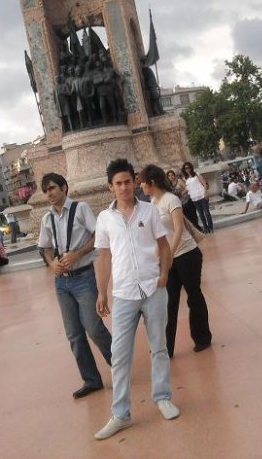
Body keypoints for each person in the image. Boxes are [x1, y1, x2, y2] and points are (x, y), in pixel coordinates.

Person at [94, 158, 178, 440]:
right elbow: (104, 257)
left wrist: (164, 273)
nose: (124, 187)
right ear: (111, 187)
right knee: (120, 355)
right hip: (124, 293)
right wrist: (101, 291)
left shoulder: (150, 210)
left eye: (128, 181)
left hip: (153, 287)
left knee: (159, 347)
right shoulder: (105, 219)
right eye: (118, 183)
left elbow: (163, 245)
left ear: (135, 182)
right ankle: (120, 414)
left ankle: (163, 397)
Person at [38, 172, 112, 400]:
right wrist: (52, 264)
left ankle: (119, 365)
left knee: (93, 327)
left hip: (83, 276)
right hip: (62, 282)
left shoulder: (80, 209)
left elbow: (98, 235)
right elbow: (45, 247)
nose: (49, 193)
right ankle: (91, 380)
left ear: (64, 188)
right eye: (46, 190)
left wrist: (77, 253)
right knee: (74, 334)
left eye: (52, 188)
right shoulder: (46, 219)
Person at [139, 164, 212, 359]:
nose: (142, 186)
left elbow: (179, 229)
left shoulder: (171, 200)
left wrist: (169, 254)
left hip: (187, 255)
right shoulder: (151, 203)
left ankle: (202, 338)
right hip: (168, 259)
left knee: (194, 296)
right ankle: (165, 348)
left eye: (143, 182)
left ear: (152, 182)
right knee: (168, 303)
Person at [182, 161, 213, 233]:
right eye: (186, 168)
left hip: (202, 195)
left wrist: (206, 193)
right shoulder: (185, 178)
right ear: (184, 170)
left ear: (191, 168)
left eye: (189, 167)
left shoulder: (196, 174)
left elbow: (204, 183)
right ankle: (206, 228)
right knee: (201, 214)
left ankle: (210, 227)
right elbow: (187, 188)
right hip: (194, 198)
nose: (187, 169)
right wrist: (180, 194)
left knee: (207, 213)